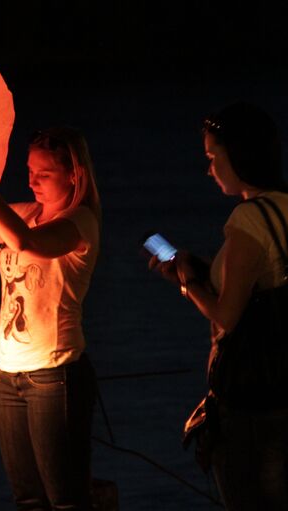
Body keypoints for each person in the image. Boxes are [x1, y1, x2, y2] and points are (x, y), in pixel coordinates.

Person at [0, 127, 101, 511]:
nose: (32, 180)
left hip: (55, 374)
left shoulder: (79, 223)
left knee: (65, 499)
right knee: (28, 499)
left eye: (44, 173)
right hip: (7, 374)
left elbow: (24, 242)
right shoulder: (27, 213)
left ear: (74, 175)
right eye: (30, 170)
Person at [151, 102, 288, 510]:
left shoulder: (248, 219)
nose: (208, 168)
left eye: (213, 156)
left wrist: (187, 280)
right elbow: (265, 282)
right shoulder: (282, 207)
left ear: (239, 154)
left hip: (251, 403)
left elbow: (228, 315)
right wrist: (206, 273)